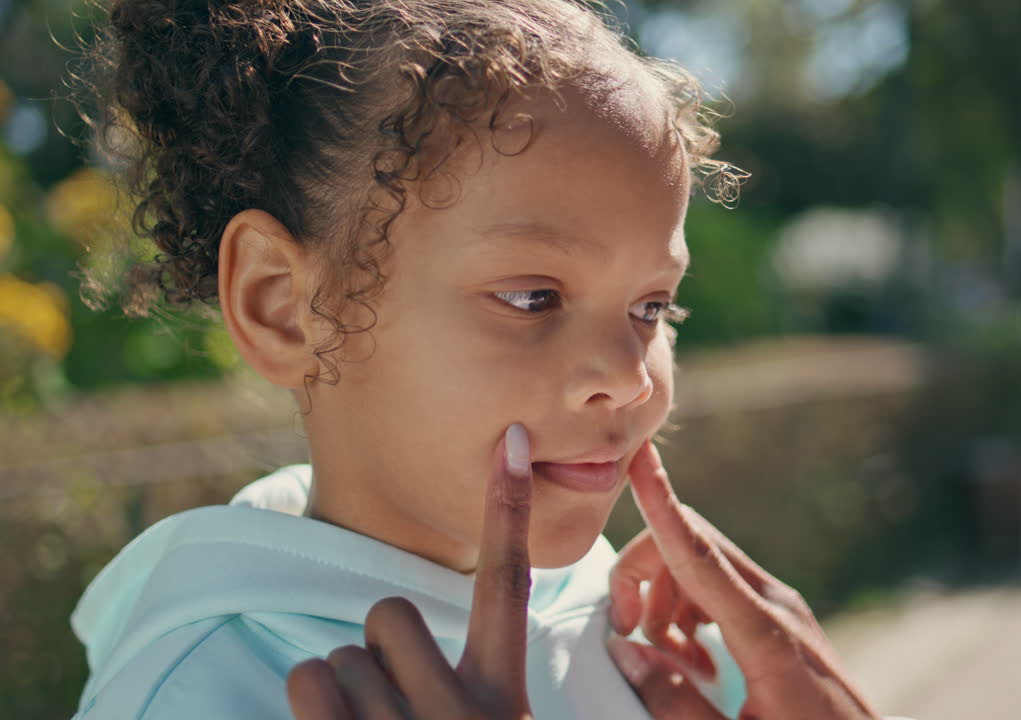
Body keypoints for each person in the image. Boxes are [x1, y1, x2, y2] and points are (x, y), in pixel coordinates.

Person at [69, 0, 906, 717]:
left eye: (653, 307)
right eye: (532, 298)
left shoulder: (660, 644)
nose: (632, 374)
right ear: (280, 306)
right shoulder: (191, 692)